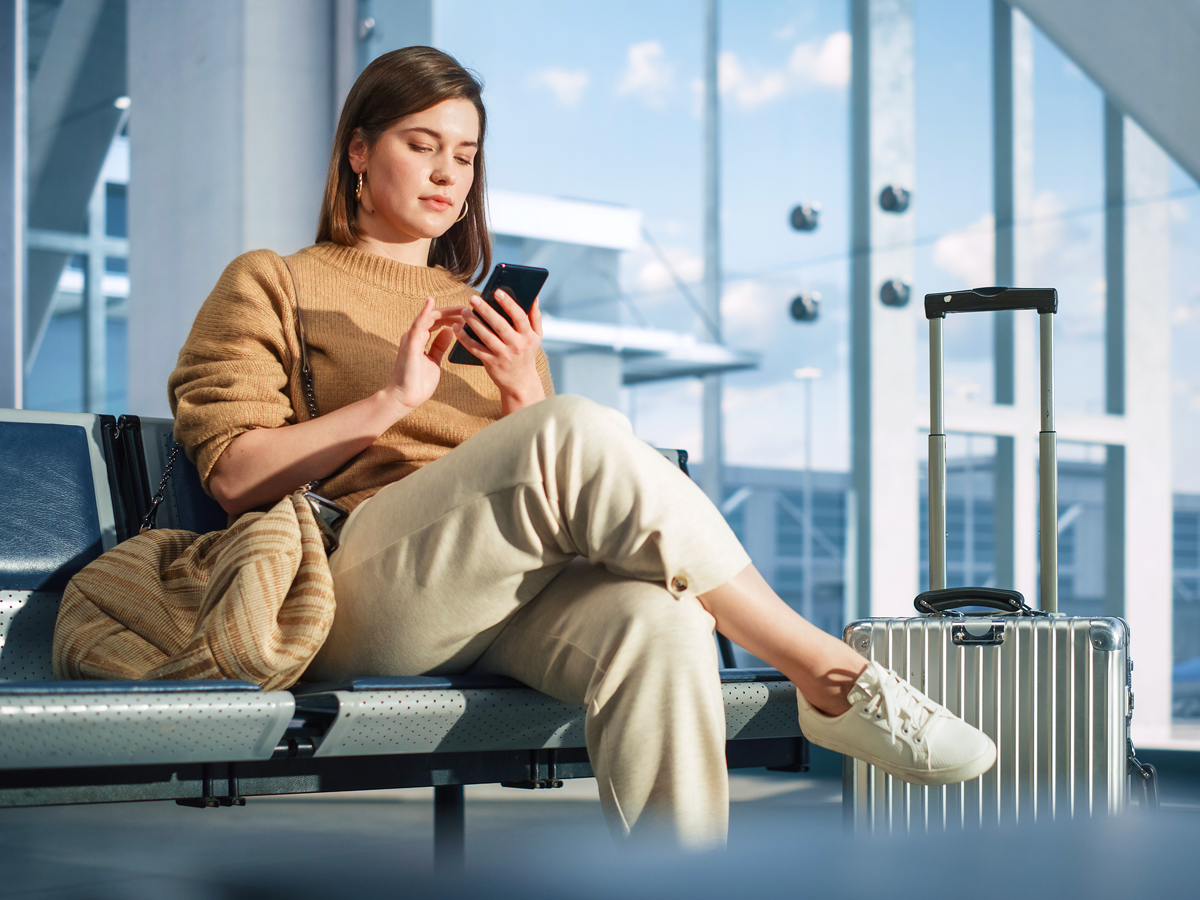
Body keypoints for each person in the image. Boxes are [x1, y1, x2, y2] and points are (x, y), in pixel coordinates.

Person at [168, 46, 995, 848]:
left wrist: (523, 388)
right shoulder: (274, 280)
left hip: (498, 592)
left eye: (465, 154)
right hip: (356, 586)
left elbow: (540, 477)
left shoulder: (480, 309)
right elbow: (235, 474)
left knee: (661, 624)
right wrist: (393, 400)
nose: (447, 173)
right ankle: (827, 671)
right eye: (420, 146)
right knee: (575, 428)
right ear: (358, 151)